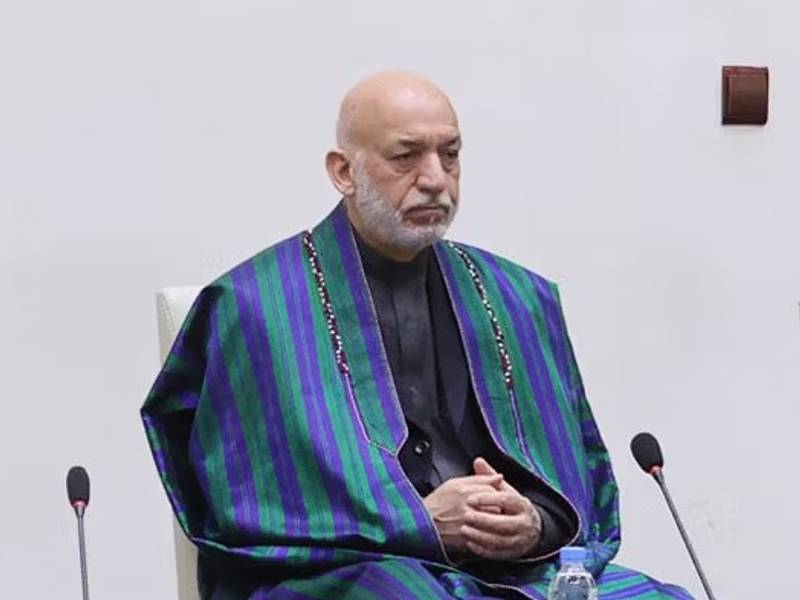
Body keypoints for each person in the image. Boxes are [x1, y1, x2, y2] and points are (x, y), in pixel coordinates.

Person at [142, 72, 692, 599]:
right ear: (343, 172)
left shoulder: (518, 297)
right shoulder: (255, 309)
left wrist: (534, 521)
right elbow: (239, 505)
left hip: (517, 572)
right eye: (406, 156)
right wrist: (417, 520)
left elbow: (575, 483)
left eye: (449, 155)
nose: (434, 178)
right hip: (348, 576)